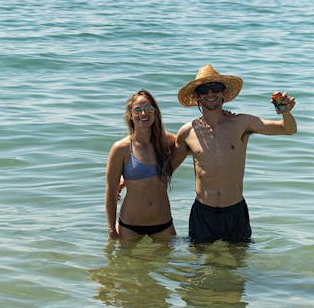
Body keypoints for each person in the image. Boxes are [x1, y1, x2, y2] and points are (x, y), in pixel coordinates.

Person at [173, 64, 296, 243]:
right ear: (197, 96)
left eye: (215, 88)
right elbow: (166, 169)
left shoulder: (242, 123)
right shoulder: (187, 132)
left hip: (234, 210)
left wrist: (285, 112)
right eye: (204, 89)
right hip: (203, 212)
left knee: (238, 266)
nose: (210, 93)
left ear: (223, 93)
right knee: (199, 268)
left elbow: (287, 129)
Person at [105, 89, 176, 242]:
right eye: (138, 110)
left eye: (149, 109)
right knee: (128, 266)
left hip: (163, 223)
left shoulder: (166, 141)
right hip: (130, 225)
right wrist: (111, 228)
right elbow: (111, 192)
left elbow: (194, 147)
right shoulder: (121, 148)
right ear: (130, 114)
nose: (144, 114)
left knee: (168, 265)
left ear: (155, 112)